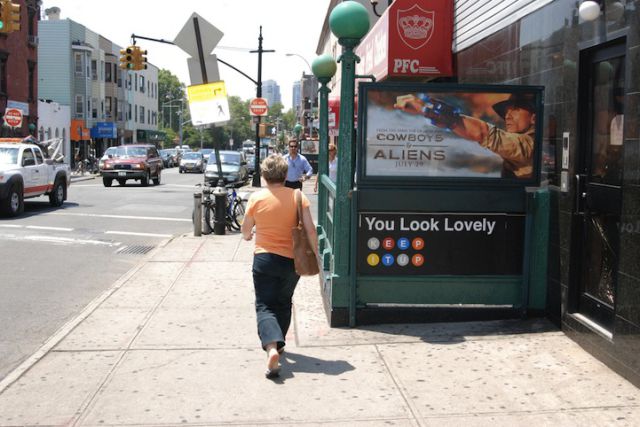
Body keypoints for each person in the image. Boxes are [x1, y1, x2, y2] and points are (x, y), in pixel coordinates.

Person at [241, 154, 318, 379]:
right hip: (291, 261)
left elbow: (245, 230)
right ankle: (280, 345)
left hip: (264, 259)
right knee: (284, 301)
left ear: (264, 176)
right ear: (285, 174)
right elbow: (311, 230)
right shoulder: (297, 196)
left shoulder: (256, 198)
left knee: (265, 305)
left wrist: (249, 235)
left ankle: (272, 347)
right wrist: (316, 254)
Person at [395, 93, 536, 179]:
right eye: (506, 112)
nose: (508, 116)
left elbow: (483, 133)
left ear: (534, 118)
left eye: (515, 110)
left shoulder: (530, 146)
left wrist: (427, 109)